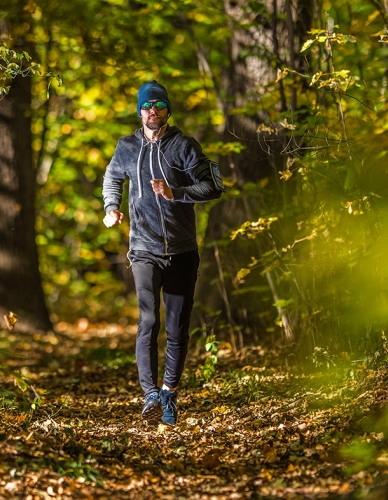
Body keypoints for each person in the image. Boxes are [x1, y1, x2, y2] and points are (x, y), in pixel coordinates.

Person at [101, 81, 225, 425]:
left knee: (177, 327)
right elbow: (112, 177)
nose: (151, 110)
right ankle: (149, 395)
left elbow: (213, 186)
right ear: (139, 111)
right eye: (145, 106)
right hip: (142, 248)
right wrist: (112, 207)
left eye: (158, 104)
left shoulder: (184, 146)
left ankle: (169, 392)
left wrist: (177, 192)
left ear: (168, 109)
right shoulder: (126, 147)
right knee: (148, 321)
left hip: (182, 250)